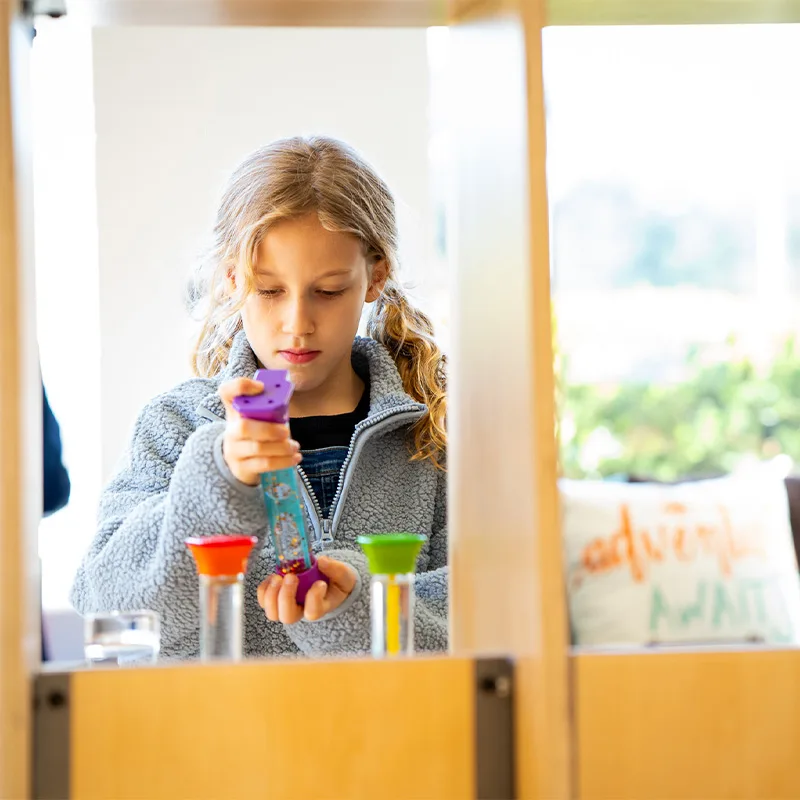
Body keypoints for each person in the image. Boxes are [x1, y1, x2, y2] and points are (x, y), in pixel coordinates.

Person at [70, 136, 448, 659]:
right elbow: (106, 604)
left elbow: (488, 616)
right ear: (231, 278)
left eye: (329, 290)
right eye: (270, 291)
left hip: (388, 738)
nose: (297, 323)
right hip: (223, 737)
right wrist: (215, 485)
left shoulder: (436, 434)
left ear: (375, 277)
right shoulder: (176, 427)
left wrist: (358, 604)